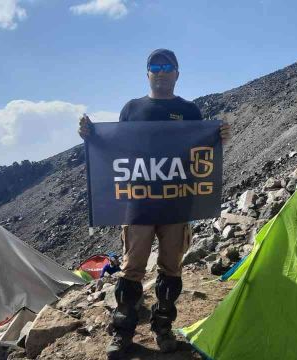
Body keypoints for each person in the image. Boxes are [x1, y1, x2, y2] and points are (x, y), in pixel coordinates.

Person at [78, 48, 230, 359]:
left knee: (171, 269)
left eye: (167, 66)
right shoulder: (132, 108)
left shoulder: (189, 111)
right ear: (147, 73)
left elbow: (199, 152)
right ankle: (122, 333)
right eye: (155, 66)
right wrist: (92, 136)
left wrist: (220, 140)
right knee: (132, 270)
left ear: (177, 73)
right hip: (139, 205)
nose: (161, 71)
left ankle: (163, 329)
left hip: (176, 205)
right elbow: (118, 149)